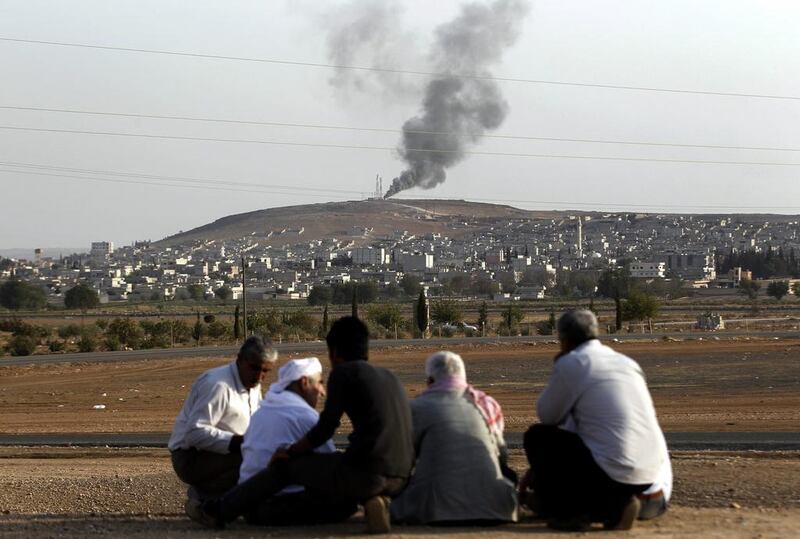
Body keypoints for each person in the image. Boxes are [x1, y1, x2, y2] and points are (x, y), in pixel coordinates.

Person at [190, 316, 414, 534]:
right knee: (337, 477)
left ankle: (217, 511)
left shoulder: (344, 372)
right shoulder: (389, 376)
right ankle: (376, 502)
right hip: (401, 479)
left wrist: (290, 452)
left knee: (286, 467)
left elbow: (326, 427)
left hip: (367, 474)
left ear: (334, 352)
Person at [520, 310, 667, 531]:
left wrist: (560, 366)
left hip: (612, 470)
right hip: (651, 471)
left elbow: (548, 416)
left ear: (564, 339)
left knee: (538, 436)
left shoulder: (572, 363)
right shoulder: (626, 363)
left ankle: (575, 512)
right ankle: (616, 505)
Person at [390, 351, 518, 525]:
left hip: (436, 507)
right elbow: (501, 456)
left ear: (430, 380)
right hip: (495, 507)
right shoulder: (486, 403)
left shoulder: (417, 407)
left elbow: (403, 458)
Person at [237, 356, 357, 525]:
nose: (322, 392)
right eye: (320, 383)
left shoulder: (260, 413)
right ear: (304, 383)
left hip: (248, 507)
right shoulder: (305, 416)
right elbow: (331, 469)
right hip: (278, 506)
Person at [169, 336, 277, 506]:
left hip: (226, 452)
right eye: (255, 368)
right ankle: (206, 499)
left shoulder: (252, 384)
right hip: (190, 457)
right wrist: (240, 443)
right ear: (240, 360)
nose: (259, 376)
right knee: (255, 460)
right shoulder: (218, 385)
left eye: (265, 371)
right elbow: (194, 434)